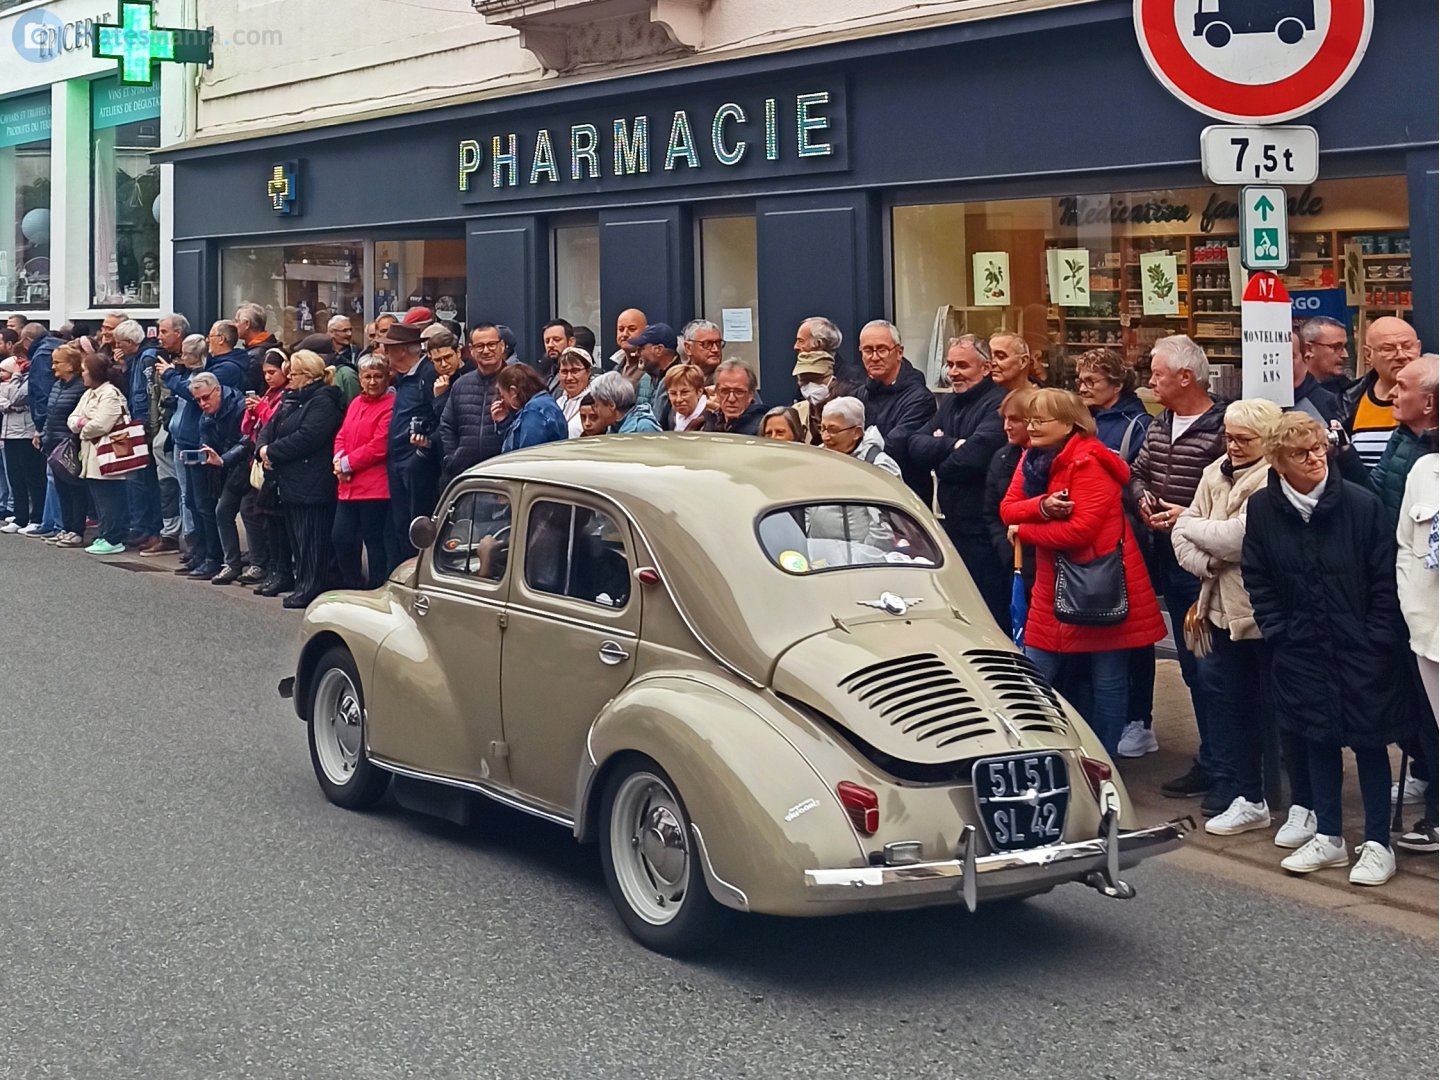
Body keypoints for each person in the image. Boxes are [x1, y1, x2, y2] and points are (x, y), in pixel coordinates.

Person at [1242, 413, 1406, 886]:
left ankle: (1377, 842)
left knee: (1371, 743)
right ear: (1277, 462)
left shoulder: (1360, 504)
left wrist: (1375, 635)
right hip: (1300, 647)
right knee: (1316, 738)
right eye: (1300, 453)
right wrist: (1279, 630)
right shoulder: (1263, 509)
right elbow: (1259, 575)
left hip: (1361, 648)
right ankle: (1329, 836)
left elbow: (1382, 576)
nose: (1314, 459)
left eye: (1319, 449)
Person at [1001, 389, 1166, 755]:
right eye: (1030, 419)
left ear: (1070, 423)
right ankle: (1029, 753)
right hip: (1052, 583)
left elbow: (1080, 531)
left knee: (1108, 679)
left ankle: (1104, 764)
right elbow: (1008, 508)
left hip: (1099, 584)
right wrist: (1042, 506)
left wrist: (1026, 532)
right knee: (1034, 674)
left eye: (1040, 420)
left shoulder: (1090, 461)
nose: (1031, 426)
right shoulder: (1032, 457)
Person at [1172, 398, 1284, 836]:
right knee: (1225, 703)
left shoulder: (1270, 478)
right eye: (1229, 436)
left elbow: (1240, 537)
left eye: (1243, 439)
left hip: (1257, 612)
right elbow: (1187, 540)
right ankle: (1242, 791)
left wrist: (1191, 526)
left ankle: (1269, 792)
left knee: (1266, 706)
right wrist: (1209, 561)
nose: (1232, 446)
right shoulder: (1212, 472)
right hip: (1214, 606)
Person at [1128, 335, 1227, 800]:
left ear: (1185, 377)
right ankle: (1214, 753)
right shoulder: (1158, 425)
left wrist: (1185, 514)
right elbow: (1138, 472)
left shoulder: (1224, 426)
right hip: (1169, 558)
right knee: (1191, 666)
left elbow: (1232, 495)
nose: (1150, 381)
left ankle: (1224, 762)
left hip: (1210, 568)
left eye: (1157, 373)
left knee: (1213, 668)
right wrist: (1144, 499)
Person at [905, 334, 1008, 627]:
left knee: (989, 614)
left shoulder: (998, 405)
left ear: (986, 368)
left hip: (983, 532)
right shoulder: (950, 403)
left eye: (962, 365)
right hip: (950, 528)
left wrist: (941, 453)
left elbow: (973, 458)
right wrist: (952, 445)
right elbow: (914, 445)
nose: (953, 372)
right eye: (950, 364)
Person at [257, 351, 344, 608]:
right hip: (289, 480)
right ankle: (300, 582)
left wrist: (272, 452)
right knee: (297, 537)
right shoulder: (291, 400)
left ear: (307, 376)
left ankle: (311, 587)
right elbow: (268, 429)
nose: (290, 378)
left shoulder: (323, 402)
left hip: (312, 481)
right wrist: (263, 449)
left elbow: (308, 437)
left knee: (312, 538)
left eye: (293, 374)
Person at [1396, 449, 1439, 854]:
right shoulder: (1425, 469)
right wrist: (1411, 604)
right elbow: (1407, 547)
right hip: (1429, 627)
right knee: (1433, 727)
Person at [332, 355, 395, 590]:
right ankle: (353, 583)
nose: (372, 382)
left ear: (387, 377)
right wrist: (339, 460)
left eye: (378, 376)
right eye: (367, 377)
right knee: (341, 538)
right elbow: (342, 434)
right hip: (348, 484)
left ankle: (377, 587)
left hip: (375, 487)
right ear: (359, 379)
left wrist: (347, 463)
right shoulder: (356, 403)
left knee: (374, 541)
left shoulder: (390, 405)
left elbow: (379, 445)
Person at [854, 320, 935, 501]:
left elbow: (892, 447)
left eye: (882, 349)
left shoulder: (920, 399)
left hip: (904, 500)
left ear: (899, 352)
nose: (874, 357)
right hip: (863, 495)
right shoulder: (859, 395)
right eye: (868, 350)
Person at [383, 322, 439, 561]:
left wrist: (423, 452)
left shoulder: (427, 373)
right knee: (400, 525)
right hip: (398, 460)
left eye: (388, 349)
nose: (385, 354)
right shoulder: (404, 378)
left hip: (415, 461)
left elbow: (438, 413)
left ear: (402, 350)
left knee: (415, 526)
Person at [67, 353, 130, 555]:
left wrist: (83, 426)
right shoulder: (89, 393)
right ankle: (105, 533)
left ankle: (114, 537)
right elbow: (72, 418)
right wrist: (82, 423)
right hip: (91, 455)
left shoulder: (110, 394)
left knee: (110, 498)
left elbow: (101, 424)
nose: (82, 374)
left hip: (108, 454)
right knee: (99, 497)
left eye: (85, 370)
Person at [984, 388, 1037, 627]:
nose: (1007, 426)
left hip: (1041, 562)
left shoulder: (1047, 459)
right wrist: (1005, 550)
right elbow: (991, 512)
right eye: (1005, 419)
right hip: (1011, 561)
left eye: (1015, 420)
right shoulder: (1002, 458)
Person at [191, 373, 249, 583]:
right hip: (227, 465)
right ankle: (232, 563)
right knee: (222, 511)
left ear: (217, 390)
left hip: (247, 465)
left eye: (206, 397)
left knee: (250, 513)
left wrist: (223, 459)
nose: (202, 403)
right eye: (197, 400)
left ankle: (260, 564)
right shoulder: (206, 415)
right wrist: (204, 453)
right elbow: (205, 441)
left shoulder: (240, 406)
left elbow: (245, 441)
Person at [158, 334, 209, 574]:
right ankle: (192, 545)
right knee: (185, 494)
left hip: (192, 442)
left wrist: (170, 374)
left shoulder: (199, 377)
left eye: (186, 354)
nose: (182, 357)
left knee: (194, 497)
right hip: (179, 438)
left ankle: (197, 545)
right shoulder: (185, 374)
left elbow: (191, 394)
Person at [112, 319, 163, 550]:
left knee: (144, 480)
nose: (117, 347)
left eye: (120, 343)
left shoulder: (147, 358)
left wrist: (143, 426)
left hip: (143, 426)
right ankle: (143, 527)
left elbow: (148, 394)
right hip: (139, 424)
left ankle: (149, 528)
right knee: (140, 480)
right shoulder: (137, 359)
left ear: (131, 342)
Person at [1344, 315, 1421, 470]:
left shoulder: (1434, 398)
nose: (1401, 355)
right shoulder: (1348, 400)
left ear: (1419, 348)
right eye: (1388, 349)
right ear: (1368, 355)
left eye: (1407, 346)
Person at [1369, 353, 1438, 525]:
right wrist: (1345, 456)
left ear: (1429, 403)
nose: (1392, 393)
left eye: (1402, 386)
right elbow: (1372, 493)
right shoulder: (1401, 437)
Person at [243, 350, 291, 594]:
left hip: (275, 465)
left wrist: (261, 409)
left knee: (272, 518)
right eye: (265, 373)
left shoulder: (285, 396)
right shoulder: (269, 394)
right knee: (256, 512)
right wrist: (251, 411)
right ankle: (269, 566)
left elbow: (275, 424)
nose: (269, 377)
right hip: (258, 460)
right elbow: (250, 427)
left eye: (273, 372)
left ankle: (274, 568)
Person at [438, 323, 506, 483]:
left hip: (503, 475)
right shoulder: (461, 384)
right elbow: (447, 425)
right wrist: (453, 458)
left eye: (491, 344)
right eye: (480, 346)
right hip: (466, 477)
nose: (486, 350)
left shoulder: (517, 380)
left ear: (502, 346)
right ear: (472, 350)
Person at [39, 344, 87, 547]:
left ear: (70, 366)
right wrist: (43, 434)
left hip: (70, 446)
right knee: (61, 489)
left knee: (75, 489)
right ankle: (65, 527)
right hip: (53, 444)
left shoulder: (80, 387)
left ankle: (77, 529)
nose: (53, 367)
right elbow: (51, 414)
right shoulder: (57, 385)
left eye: (57, 362)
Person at [1075, 349, 1151, 463]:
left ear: (1117, 385)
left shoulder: (1139, 425)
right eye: (1080, 382)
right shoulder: (1079, 418)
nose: (1082, 389)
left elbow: (1139, 475)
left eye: (1090, 382)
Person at [0, 357, 43, 535]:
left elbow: (17, 397)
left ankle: (36, 517)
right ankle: (20, 516)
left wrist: (16, 376)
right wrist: (10, 404)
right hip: (9, 432)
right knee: (15, 477)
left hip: (26, 433)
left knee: (31, 477)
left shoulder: (28, 378)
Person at [494, 363, 570, 453]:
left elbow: (528, 455)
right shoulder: (546, 402)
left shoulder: (533, 412)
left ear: (513, 391)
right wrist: (505, 422)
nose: (503, 401)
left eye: (503, 396)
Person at [819, 396, 901, 476]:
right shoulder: (816, 455)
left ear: (856, 433)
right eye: (823, 428)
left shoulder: (881, 468)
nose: (825, 437)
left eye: (833, 430)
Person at [630, 323, 683, 428]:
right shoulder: (645, 378)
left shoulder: (682, 379)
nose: (636, 353)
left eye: (641, 348)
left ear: (659, 350)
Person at [791, 350, 845, 446]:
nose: (811, 385)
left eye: (817, 379)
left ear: (832, 379)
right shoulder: (796, 413)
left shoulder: (846, 411)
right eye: (804, 381)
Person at [704, 360, 766, 435]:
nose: (731, 399)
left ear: (751, 394)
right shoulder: (708, 422)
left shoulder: (763, 429)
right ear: (717, 392)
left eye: (739, 392)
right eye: (725, 391)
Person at [1298, 315, 1353, 397]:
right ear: (1308, 349)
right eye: (1336, 347)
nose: (1345, 355)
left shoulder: (1352, 392)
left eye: (1345, 347)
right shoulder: (1293, 393)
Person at [588, 371, 660, 433]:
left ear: (611, 405)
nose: (595, 411)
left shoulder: (644, 426)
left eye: (597, 405)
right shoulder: (613, 428)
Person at [236, 302, 281, 391]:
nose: (234, 325)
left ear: (247, 324)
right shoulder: (271, 344)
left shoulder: (255, 355)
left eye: (237, 321)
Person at [554, 346, 594, 437]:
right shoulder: (558, 403)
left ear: (588, 372)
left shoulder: (596, 403)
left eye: (575, 371)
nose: (569, 378)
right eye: (564, 372)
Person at [661, 364, 708, 432]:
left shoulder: (712, 419)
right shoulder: (671, 414)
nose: (679, 399)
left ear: (699, 392)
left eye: (685, 392)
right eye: (673, 393)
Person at [205, 321, 250, 392]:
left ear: (221, 339)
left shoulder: (226, 369)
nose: (207, 340)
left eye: (210, 336)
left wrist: (180, 382)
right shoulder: (216, 362)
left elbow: (201, 391)